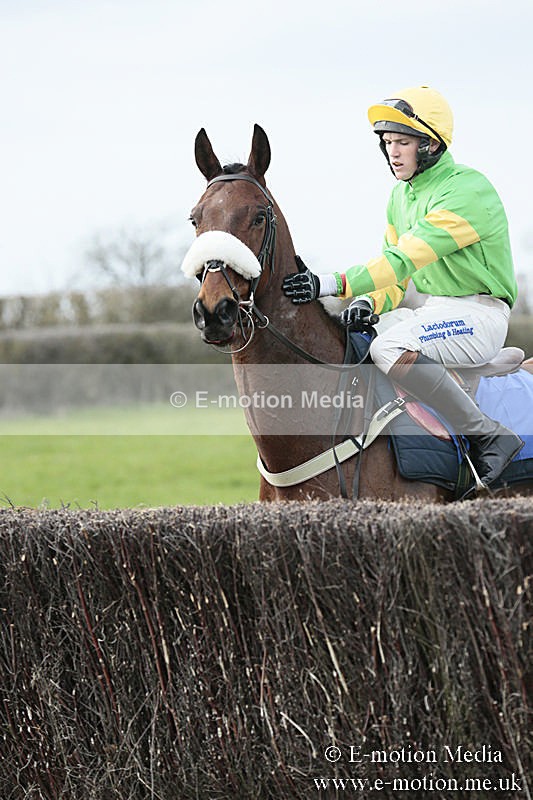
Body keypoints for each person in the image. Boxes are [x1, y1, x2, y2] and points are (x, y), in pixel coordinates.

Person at [282, 85, 523, 490]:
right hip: (434, 311)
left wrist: (330, 284)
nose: (392, 152)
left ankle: (488, 435)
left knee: (388, 347)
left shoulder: (468, 191)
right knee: (361, 337)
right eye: (388, 142)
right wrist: (367, 301)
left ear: (430, 145)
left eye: (403, 142)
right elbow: (395, 278)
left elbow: (404, 259)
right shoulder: (400, 197)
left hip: (479, 316)